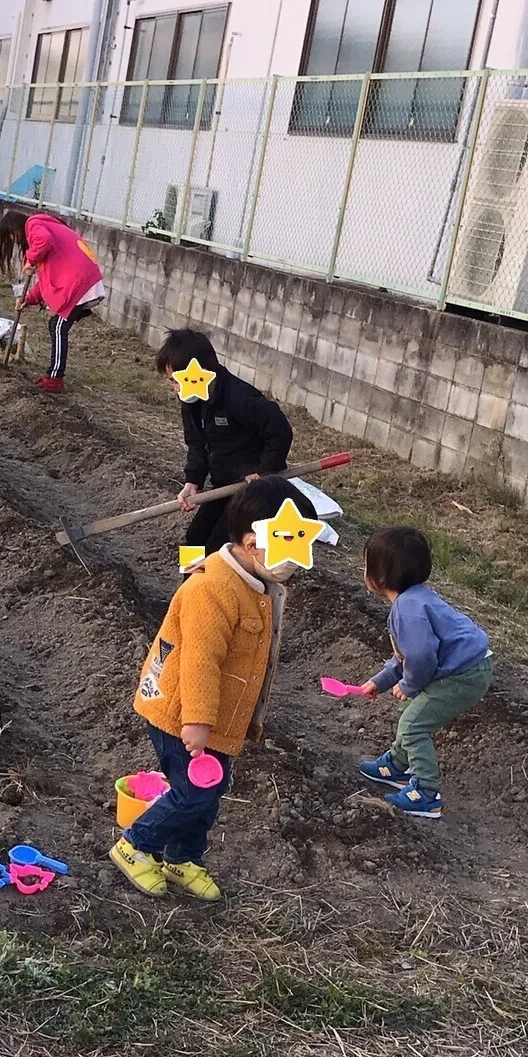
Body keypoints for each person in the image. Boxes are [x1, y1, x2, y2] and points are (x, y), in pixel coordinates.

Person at [110, 476, 319, 902]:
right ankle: (135, 845)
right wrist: (199, 722)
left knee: (209, 792)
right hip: (182, 715)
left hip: (217, 716)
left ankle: (183, 857)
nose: (295, 563)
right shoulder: (212, 589)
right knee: (193, 794)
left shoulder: (255, 585)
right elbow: (200, 661)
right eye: (289, 547)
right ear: (252, 541)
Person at [359, 526, 493, 819]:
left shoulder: (407, 609)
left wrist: (409, 685)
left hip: (465, 674)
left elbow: (419, 657)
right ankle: (396, 764)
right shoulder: (415, 598)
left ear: (378, 577)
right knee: (412, 715)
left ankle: (426, 793)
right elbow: (404, 655)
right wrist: (380, 682)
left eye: (366, 564)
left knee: (413, 724)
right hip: (469, 665)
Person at [156, 328, 294, 557]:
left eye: (176, 381)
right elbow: (197, 444)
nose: (175, 388)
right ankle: (189, 591)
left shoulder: (240, 398)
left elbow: (280, 432)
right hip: (223, 486)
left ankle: (213, 590)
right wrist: (193, 481)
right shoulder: (191, 401)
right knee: (194, 540)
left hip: (251, 492)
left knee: (218, 549)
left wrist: (262, 472)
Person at [0, 209, 104, 394]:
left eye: (12, 237)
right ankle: (54, 375)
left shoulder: (34, 224)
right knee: (56, 325)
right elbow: (45, 282)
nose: (14, 242)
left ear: (16, 229)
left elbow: (43, 240)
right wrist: (28, 299)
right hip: (82, 280)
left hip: (80, 281)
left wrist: (30, 259)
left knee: (58, 327)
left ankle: (55, 379)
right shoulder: (44, 235)